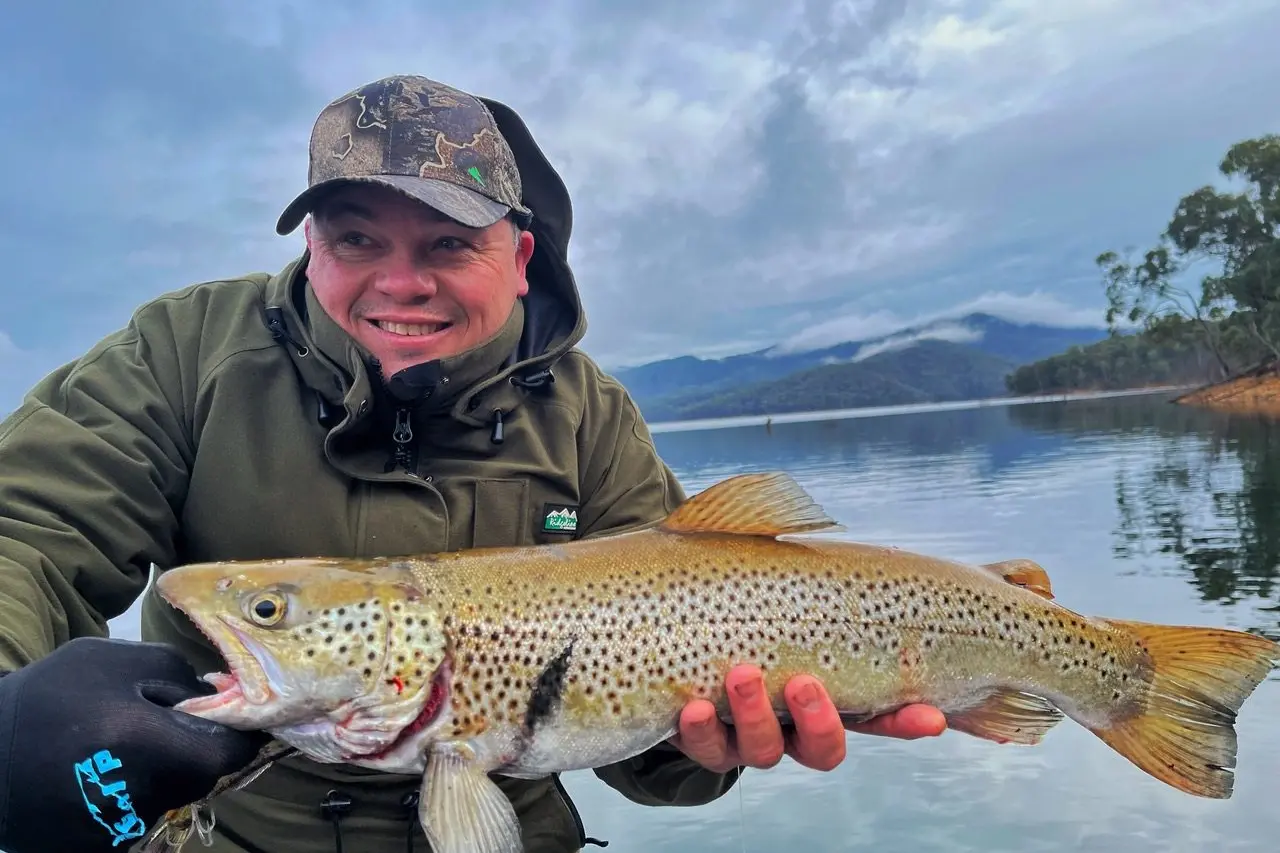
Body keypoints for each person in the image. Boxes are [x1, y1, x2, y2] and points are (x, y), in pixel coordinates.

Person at [0, 75, 946, 853]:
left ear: (521, 254)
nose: (399, 282)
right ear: (310, 245)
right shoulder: (183, 353)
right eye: (356, 238)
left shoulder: (589, 417)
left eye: (448, 243)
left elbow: (649, 762)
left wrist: (707, 746)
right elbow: (26, 535)